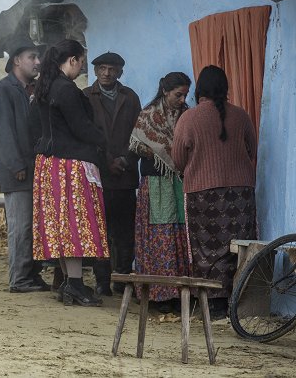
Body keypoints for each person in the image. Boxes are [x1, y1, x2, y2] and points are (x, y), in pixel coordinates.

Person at [172, 65, 257, 320]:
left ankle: (215, 305)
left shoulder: (189, 118)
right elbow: (252, 150)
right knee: (238, 244)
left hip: (202, 193)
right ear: (226, 88)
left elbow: (178, 158)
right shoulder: (241, 116)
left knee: (206, 247)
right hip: (240, 193)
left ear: (199, 90)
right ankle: (239, 300)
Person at [32, 39, 109, 307]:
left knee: (60, 224)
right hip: (70, 165)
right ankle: (75, 284)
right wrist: (105, 142)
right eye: (82, 62)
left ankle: (68, 282)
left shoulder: (46, 87)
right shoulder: (66, 89)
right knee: (75, 225)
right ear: (73, 60)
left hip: (49, 164)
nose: (82, 67)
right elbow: (81, 128)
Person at [0, 34, 49, 293]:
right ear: (16, 61)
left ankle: (33, 275)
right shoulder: (3, 90)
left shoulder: (34, 91)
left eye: (38, 57)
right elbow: (3, 134)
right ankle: (20, 278)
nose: (37, 62)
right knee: (21, 226)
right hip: (18, 172)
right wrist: (16, 167)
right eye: (32, 57)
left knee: (36, 226)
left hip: (36, 169)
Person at [129, 72, 191, 313]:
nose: (182, 98)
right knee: (159, 235)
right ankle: (158, 294)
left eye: (185, 94)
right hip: (155, 183)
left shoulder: (187, 116)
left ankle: (179, 293)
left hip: (180, 182)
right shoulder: (147, 116)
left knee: (179, 234)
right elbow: (137, 146)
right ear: (165, 91)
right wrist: (153, 150)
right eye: (178, 94)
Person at [83, 52, 141, 296]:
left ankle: (123, 280)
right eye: (102, 68)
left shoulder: (130, 97)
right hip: (98, 176)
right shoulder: (85, 97)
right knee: (100, 230)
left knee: (125, 232)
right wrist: (106, 161)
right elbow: (84, 135)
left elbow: (139, 134)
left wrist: (126, 160)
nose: (107, 73)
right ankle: (102, 281)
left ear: (120, 72)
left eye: (112, 69)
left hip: (125, 177)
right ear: (95, 71)